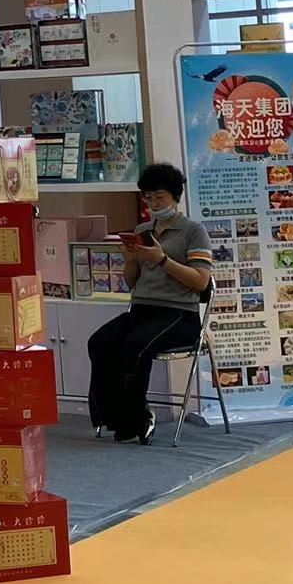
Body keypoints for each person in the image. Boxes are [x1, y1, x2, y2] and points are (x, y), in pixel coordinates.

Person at [87, 162, 213, 444]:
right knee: (100, 342)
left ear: (175, 197)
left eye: (160, 197)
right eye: (149, 198)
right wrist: (131, 260)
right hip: (142, 309)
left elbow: (201, 282)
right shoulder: (143, 229)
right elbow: (132, 283)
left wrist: (162, 259)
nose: (154, 203)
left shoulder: (193, 231)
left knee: (135, 346)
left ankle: (139, 417)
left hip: (179, 314)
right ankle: (115, 418)